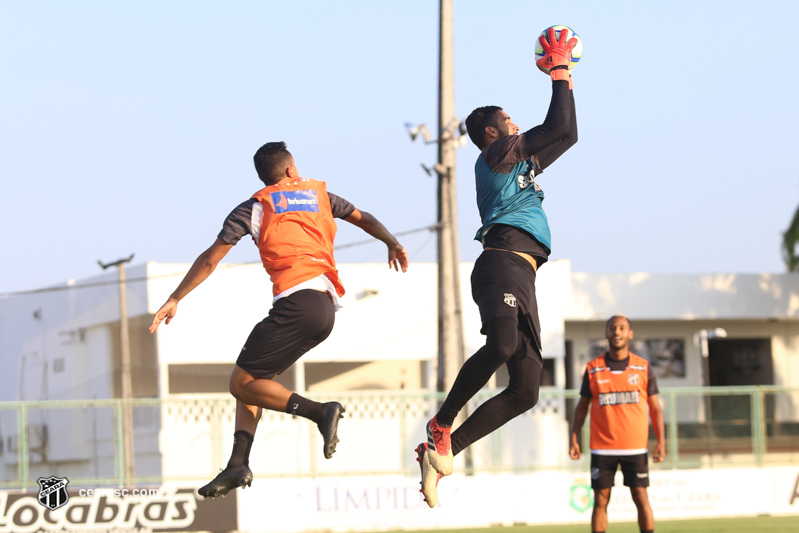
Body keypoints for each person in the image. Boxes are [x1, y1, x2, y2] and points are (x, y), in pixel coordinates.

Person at [149, 141, 409, 498]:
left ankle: (321, 412)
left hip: (296, 304)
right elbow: (366, 219)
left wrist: (176, 297)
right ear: (290, 170)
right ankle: (238, 463)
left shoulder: (254, 207)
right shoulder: (321, 196)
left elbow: (211, 259)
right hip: (323, 307)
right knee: (255, 380)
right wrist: (392, 243)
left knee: (239, 383)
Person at [415, 27, 579, 507]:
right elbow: (553, 127)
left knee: (526, 391)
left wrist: (564, 78)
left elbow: (566, 133)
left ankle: (441, 450)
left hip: (522, 276)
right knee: (504, 345)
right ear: (493, 132)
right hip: (500, 264)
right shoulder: (496, 153)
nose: (515, 124)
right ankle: (441, 422)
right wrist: (560, 70)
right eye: (509, 119)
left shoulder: (515, 160)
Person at [569, 315, 666, 533]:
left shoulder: (643, 367)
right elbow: (582, 406)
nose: (617, 332)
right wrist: (574, 437)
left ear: (630, 334)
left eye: (622, 328)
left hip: (635, 446)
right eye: (612, 328)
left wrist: (661, 441)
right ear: (606, 333)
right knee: (601, 500)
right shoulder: (593, 368)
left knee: (641, 497)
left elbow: (656, 408)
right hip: (602, 447)